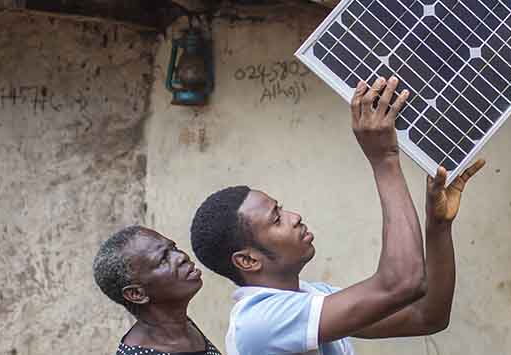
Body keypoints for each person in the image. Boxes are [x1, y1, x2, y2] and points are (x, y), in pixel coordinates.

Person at [190, 76, 484, 355]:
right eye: (276, 219)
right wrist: (384, 159)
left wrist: (438, 226)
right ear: (248, 260)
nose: (294, 217)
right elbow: (401, 283)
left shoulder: (311, 296)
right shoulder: (260, 323)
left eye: (282, 208)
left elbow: (426, 316)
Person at [93, 225, 221, 355]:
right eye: (163, 260)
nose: (181, 257)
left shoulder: (181, 327)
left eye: (174, 248)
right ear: (136, 294)